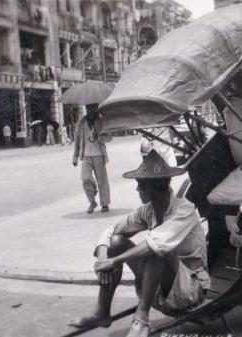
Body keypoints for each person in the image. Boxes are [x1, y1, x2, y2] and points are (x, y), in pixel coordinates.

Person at [67, 150, 210, 337]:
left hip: (191, 290)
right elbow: (112, 231)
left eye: (140, 185)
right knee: (117, 242)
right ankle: (102, 312)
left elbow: (156, 244)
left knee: (156, 250)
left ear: (153, 186)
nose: (137, 190)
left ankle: (141, 319)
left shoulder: (185, 210)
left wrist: (114, 261)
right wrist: (104, 258)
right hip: (163, 287)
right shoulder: (147, 211)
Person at [73, 104, 112, 213]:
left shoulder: (101, 122)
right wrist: (75, 157)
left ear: (96, 108)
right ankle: (92, 201)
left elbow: (109, 137)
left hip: (99, 154)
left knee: (102, 180)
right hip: (85, 155)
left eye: (93, 108)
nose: (91, 110)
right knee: (85, 178)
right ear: (86, 108)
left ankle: (105, 204)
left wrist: (98, 137)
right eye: (89, 108)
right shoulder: (80, 124)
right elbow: (76, 142)